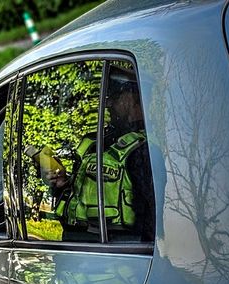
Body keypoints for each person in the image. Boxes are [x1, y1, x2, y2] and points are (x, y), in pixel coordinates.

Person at [46, 65, 155, 241]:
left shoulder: (144, 149)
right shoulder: (94, 143)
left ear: (135, 100)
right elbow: (82, 199)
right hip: (78, 244)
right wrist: (63, 186)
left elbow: (154, 215)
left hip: (119, 251)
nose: (108, 104)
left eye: (114, 96)